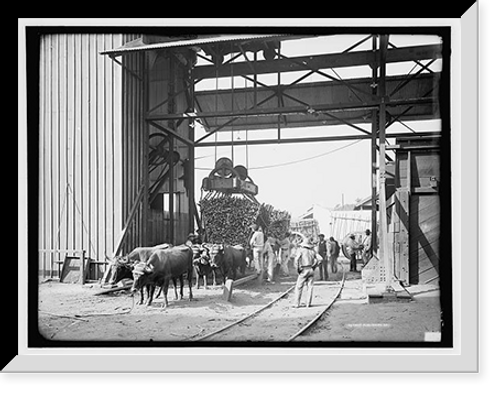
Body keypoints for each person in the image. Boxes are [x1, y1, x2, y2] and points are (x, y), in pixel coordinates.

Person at [293, 238, 323, 308]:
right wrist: (314, 266)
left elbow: (296, 260)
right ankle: (308, 303)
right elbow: (320, 259)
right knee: (310, 287)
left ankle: (296, 304)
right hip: (311, 269)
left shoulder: (301, 250)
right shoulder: (312, 251)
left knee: (299, 287)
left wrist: (298, 269)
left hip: (303, 269)